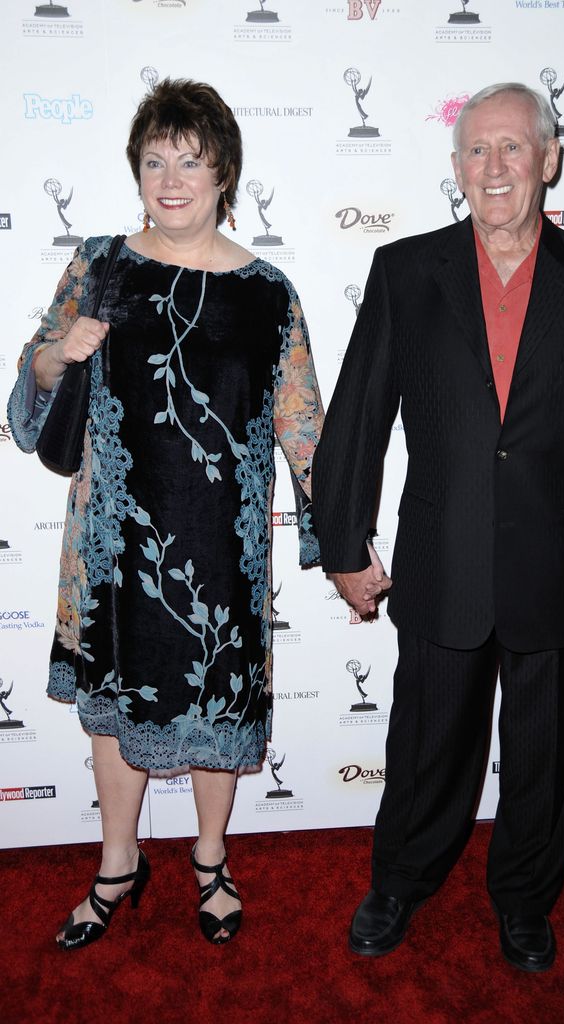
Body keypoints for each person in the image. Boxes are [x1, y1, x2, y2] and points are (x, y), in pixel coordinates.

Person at [312, 82, 564, 972]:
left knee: (546, 762)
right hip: (442, 560)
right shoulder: (404, 270)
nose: (493, 167)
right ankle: (399, 883)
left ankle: (525, 901)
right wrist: (343, 547)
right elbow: (356, 418)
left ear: (550, 160)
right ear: (456, 166)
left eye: (512, 148)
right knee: (426, 750)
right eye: (475, 150)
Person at [9, 78, 323, 950]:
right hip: (113, 542)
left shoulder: (270, 294)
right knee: (116, 702)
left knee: (218, 707)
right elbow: (31, 390)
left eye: (191, 160)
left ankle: (211, 859)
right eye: (156, 160)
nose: (172, 178)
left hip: (222, 549)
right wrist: (53, 354)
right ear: (136, 171)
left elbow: (303, 425)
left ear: (225, 171)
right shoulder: (100, 264)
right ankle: (117, 862)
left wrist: (342, 543)